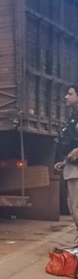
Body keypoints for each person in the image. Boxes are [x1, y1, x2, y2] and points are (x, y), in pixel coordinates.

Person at [54, 85, 78, 236]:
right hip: (71, 166)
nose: (66, 97)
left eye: (69, 94)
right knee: (72, 207)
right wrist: (65, 161)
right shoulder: (72, 117)